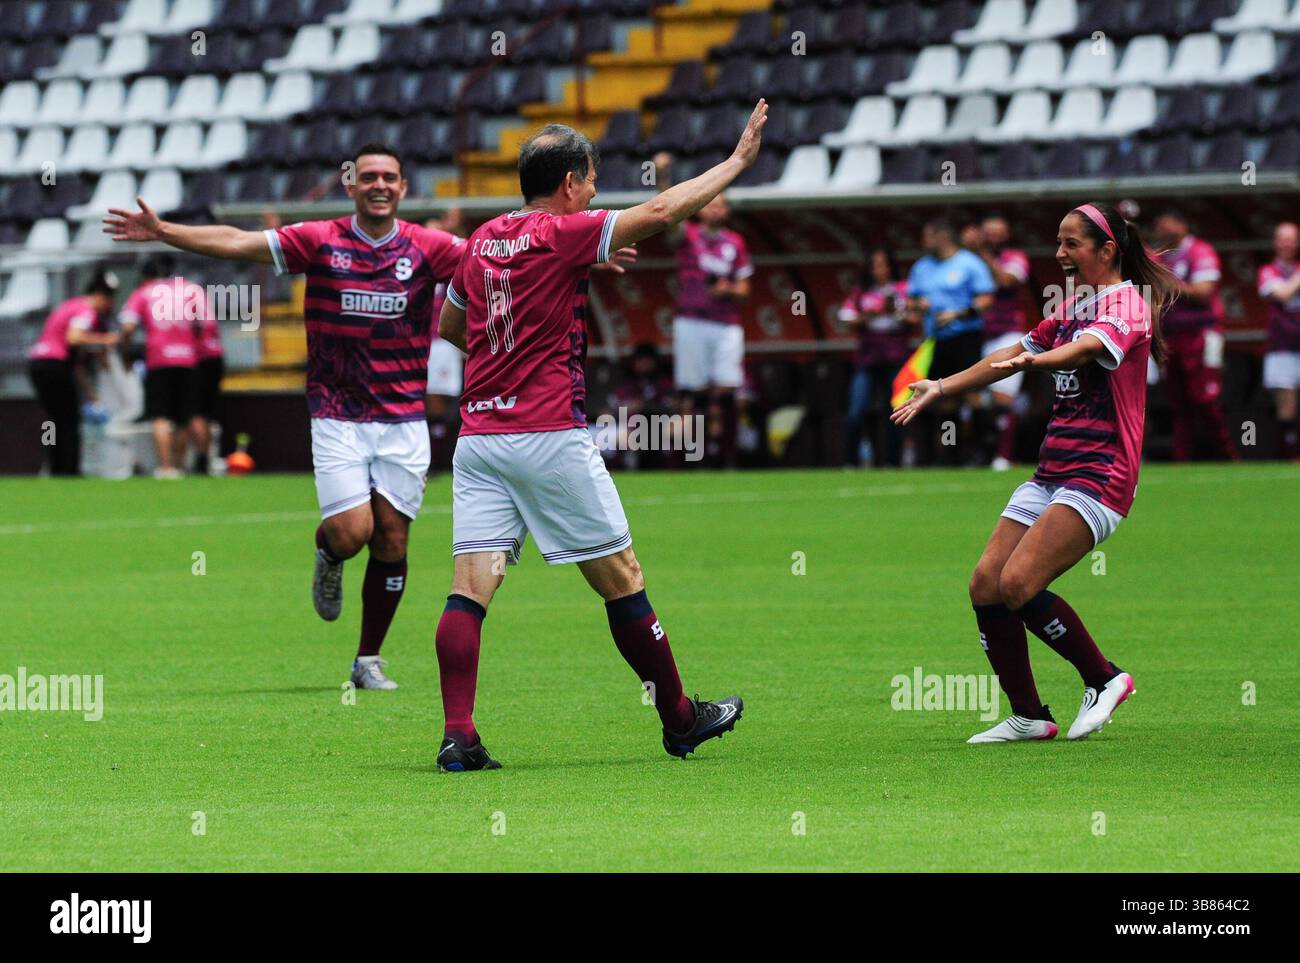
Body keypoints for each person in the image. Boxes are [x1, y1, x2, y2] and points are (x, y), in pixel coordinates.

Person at [431, 101, 769, 771]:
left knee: (471, 585)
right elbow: (667, 210)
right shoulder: (564, 233)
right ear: (568, 184)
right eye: (589, 181)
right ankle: (679, 719)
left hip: (480, 439)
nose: (593, 193)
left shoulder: (482, 241)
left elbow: (450, 330)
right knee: (623, 579)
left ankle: (459, 734)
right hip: (549, 433)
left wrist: (558, 284)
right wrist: (736, 162)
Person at [104, 143, 463, 690]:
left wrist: (588, 254)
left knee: (392, 539)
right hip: (337, 411)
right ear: (352, 186)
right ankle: (328, 553)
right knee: (352, 532)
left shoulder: (429, 247)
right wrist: (165, 231)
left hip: (402, 416)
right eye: (369, 177)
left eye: (390, 176)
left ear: (404, 187)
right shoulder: (320, 239)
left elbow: (503, 258)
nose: (380, 185)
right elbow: (239, 243)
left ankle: (368, 660)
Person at [892, 201, 1177, 743]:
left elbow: (1085, 351)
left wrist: (1037, 362)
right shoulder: (1074, 305)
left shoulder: (1127, 304)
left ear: (1107, 249)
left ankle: (1106, 677)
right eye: (1059, 241)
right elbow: (1014, 349)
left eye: (1072, 243)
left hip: (1102, 471)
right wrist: (943, 385)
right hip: (1052, 471)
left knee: (1019, 583)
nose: (1060, 253)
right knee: (985, 585)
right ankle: (1029, 715)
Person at [654, 151, 754, 468]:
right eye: (711, 201)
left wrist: (729, 289)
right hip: (692, 321)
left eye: (721, 203)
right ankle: (691, 457)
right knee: (692, 390)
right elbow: (666, 216)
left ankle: (727, 457)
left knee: (727, 387)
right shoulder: (688, 235)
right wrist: (661, 179)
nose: (716, 207)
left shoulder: (735, 242)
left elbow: (745, 287)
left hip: (726, 323)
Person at [905, 220, 995, 465]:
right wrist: (917, 306)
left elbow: (986, 299)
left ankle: (982, 453)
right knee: (940, 397)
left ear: (941, 236)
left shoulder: (969, 263)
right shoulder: (922, 267)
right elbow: (910, 302)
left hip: (965, 337)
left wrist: (957, 314)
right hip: (935, 341)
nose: (923, 242)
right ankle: (950, 455)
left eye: (927, 236)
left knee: (972, 393)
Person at [1153, 210, 1238, 461]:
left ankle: (1228, 456)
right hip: (1171, 337)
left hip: (1201, 335)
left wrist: (1170, 283)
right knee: (1178, 403)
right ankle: (1182, 460)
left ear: (1181, 225)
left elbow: (1203, 292)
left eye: (1164, 225)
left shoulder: (1200, 251)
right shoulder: (1161, 257)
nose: (1160, 231)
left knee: (1205, 398)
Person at [27, 270, 121, 476]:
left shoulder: (69, 306)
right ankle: (68, 470)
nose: (110, 304)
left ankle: (53, 465)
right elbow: (74, 338)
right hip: (54, 365)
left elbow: (75, 364)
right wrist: (106, 340)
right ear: (97, 294)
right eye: (108, 298)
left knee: (52, 419)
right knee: (69, 420)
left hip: (38, 364)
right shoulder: (86, 310)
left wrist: (89, 393)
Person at [118, 254, 202, 479]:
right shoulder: (189, 290)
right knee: (183, 416)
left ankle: (166, 467)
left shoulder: (143, 293)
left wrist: (126, 351)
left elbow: (127, 327)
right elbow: (200, 325)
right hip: (187, 359)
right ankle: (181, 465)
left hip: (159, 359)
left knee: (160, 415)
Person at [965, 215, 1032, 470]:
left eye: (997, 233)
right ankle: (978, 452)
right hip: (977, 334)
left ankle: (1003, 456)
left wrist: (982, 252)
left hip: (1008, 334)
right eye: (987, 233)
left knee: (1003, 398)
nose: (992, 238)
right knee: (973, 398)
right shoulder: (967, 261)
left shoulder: (1015, 257)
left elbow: (1005, 280)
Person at [838, 247, 909, 467]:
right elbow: (846, 319)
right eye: (875, 265)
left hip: (895, 356)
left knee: (896, 412)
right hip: (867, 359)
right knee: (856, 411)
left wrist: (895, 311)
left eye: (884, 265)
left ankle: (892, 463)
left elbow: (916, 317)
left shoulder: (903, 289)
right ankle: (851, 462)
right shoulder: (861, 293)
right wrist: (871, 313)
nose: (880, 270)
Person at [1257, 221, 1300, 460]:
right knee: (1287, 405)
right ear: (1275, 242)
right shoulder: (1268, 271)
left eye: (1292, 238)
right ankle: (1290, 454)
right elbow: (1282, 294)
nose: (1287, 243)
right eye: (1282, 238)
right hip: (1282, 347)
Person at [190, 279, 226, 476]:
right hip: (216, 356)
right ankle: (205, 458)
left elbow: (196, 327)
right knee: (206, 413)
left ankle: (201, 460)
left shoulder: (186, 298)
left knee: (195, 413)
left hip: (201, 358)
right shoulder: (201, 296)